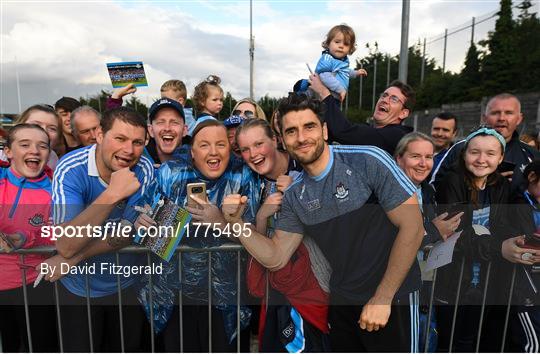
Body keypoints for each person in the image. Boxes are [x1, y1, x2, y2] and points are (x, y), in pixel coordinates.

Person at [222, 94, 424, 352]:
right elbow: (276, 257)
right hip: (342, 303)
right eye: (292, 131)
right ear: (283, 139)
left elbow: (413, 227)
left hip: (393, 298)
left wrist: (383, 298)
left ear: (325, 130)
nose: (302, 137)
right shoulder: (295, 195)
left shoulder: (367, 159)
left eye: (309, 127)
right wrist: (236, 222)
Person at [134, 117, 261, 352]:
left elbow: (255, 236)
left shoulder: (242, 175)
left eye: (220, 144)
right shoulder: (171, 173)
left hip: (226, 297)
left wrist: (220, 222)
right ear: (192, 151)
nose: (213, 152)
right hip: (175, 297)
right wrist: (143, 222)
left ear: (229, 147)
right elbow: (151, 237)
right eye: (204, 145)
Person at [42, 106, 154, 352]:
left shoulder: (144, 167)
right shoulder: (71, 168)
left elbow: (127, 234)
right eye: (120, 139)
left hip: (125, 285)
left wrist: (76, 256)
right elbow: (66, 244)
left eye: (137, 142)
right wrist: (113, 193)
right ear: (100, 136)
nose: (129, 150)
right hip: (78, 289)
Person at [235, 118, 330, 352]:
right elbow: (258, 245)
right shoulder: (249, 181)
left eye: (259, 144)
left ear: (275, 140)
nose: (253, 154)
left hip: (313, 292)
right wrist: (260, 218)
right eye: (245, 149)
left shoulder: (306, 166)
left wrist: (297, 194)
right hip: (275, 291)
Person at [434, 127, 516, 352]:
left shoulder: (500, 186)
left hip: (486, 280)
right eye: (474, 152)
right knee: (449, 342)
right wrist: (499, 247)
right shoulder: (452, 181)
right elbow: (454, 233)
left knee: (472, 340)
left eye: (490, 154)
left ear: (500, 158)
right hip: (453, 279)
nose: (481, 160)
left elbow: (503, 226)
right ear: (464, 155)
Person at [0, 124, 58, 352]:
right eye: (25, 145)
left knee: (40, 345)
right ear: (8, 152)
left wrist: (24, 237)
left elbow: (61, 231)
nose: (34, 150)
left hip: (34, 285)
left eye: (42, 146)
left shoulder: (55, 190)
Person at [431, 93, 540, 193]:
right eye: (495, 113)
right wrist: (476, 181)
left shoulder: (532, 154)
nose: (501, 118)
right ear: (484, 118)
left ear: (519, 118)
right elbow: (434, 187)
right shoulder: (460, 148)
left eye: (508, 113)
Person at [309, 74, 415, 155]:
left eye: (394, 99)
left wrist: (323, 92)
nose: (385, 100)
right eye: (384, 95)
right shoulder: (371, 129)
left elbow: (343, 131)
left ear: (403, 113)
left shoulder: (397, 136)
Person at [500, 160, 540, 352]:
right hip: (526, 289)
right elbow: (520, 241)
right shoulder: (516, 203)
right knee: (533, 344)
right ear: (532, 177)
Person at [314, 24, 367, 102]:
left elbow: (344, 71)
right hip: (323, 97)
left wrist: (356, 73)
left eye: (346, 44)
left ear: (350, 49)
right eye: (337, 42)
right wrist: (340, 89)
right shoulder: (327, 59)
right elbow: (325, 76)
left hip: (334, 96)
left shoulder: (342, 61)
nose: (341, 46)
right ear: (328, 44)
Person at [13, 104, 63, 171]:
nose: (44, 131)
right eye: (36, 125)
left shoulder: (53, 158)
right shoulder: (2, 156)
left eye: (52, 128)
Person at [145, 97, 188, 166]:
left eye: (174, 122)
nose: (167, 128)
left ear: (184, 130)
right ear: (151, 130)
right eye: (160, 122)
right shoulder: (137, 162)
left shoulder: (199, 162)